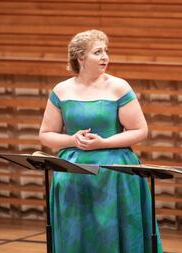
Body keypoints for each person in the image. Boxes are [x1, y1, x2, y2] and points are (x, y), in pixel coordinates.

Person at [39, 29, 162, 253]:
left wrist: (103, 143)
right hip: (73, 175)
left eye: (106, 51)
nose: (105, 56)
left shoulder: (119, 87)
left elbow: (140, 130)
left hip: (114, 173)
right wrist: (72, 139)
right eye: (98, 52)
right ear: (80, 58)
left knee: (111, 235)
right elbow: (46, 134)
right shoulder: (62, 90)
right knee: (76, 233)